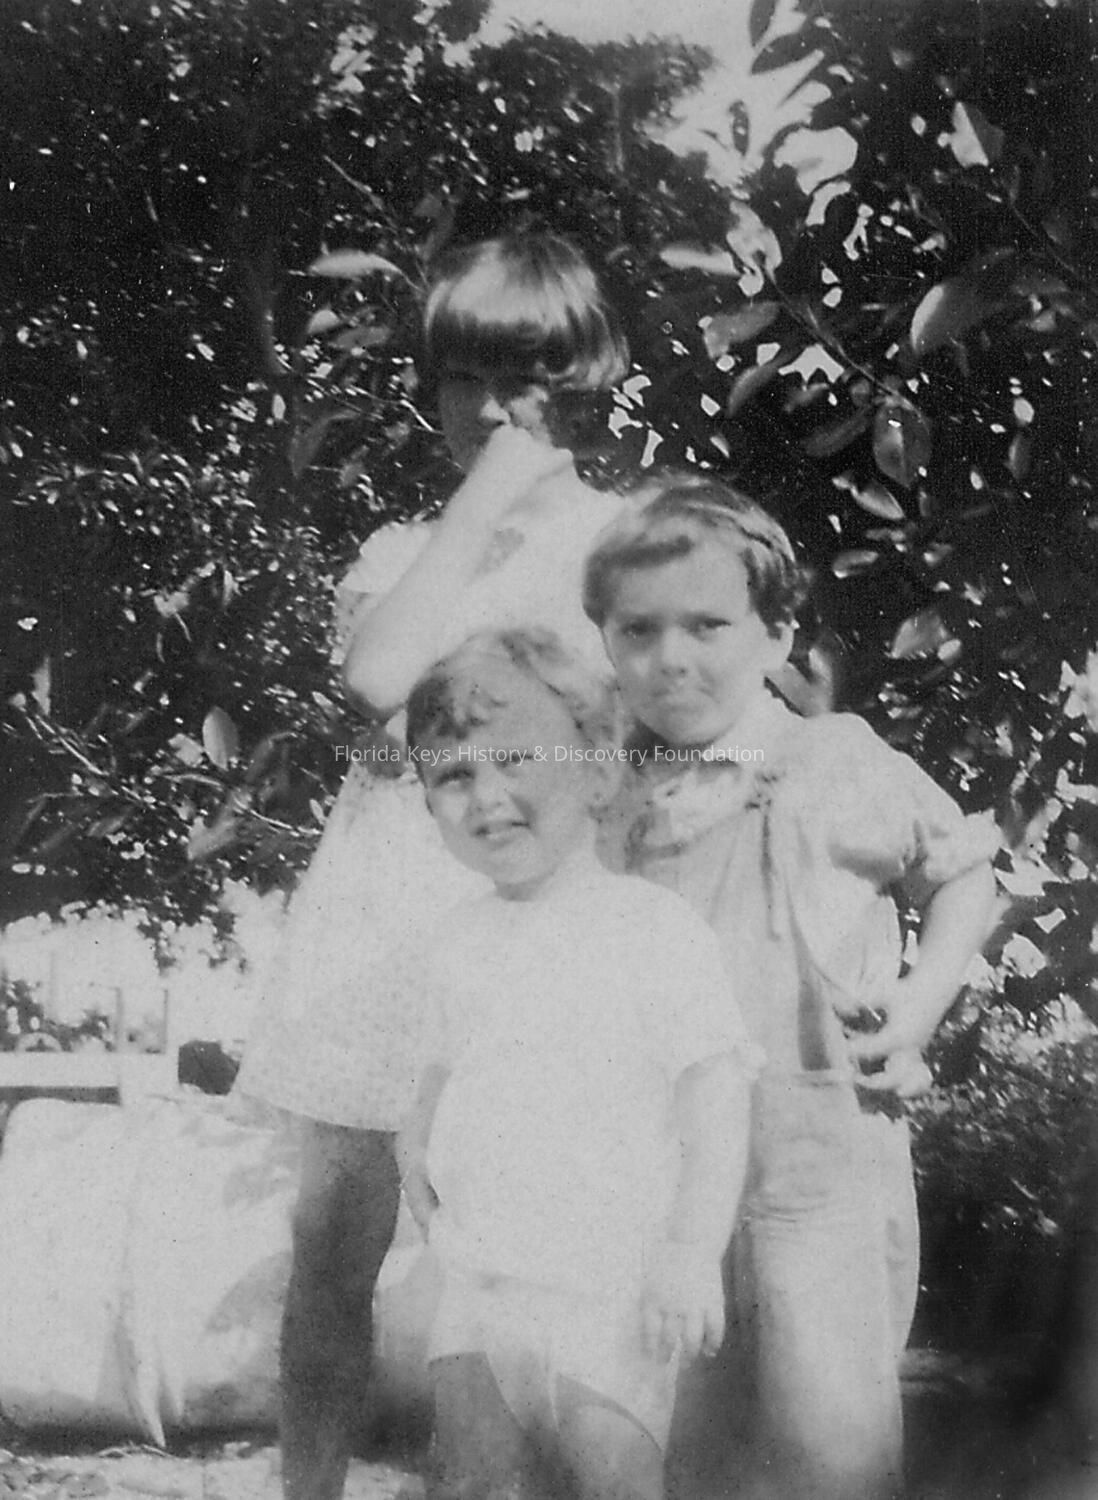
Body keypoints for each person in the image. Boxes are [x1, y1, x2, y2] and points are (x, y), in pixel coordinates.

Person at [232, 232, 633, 1500]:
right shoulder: (405, 550)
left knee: (518, 1245)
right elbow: (380, 679)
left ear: (582, 385)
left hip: (525, 917)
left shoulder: (620, 544)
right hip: (385, 917)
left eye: (524, 383)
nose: (493, 411)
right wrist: (479, 507)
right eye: (466, 379)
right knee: (332, 1244)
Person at [583, 475, 999, 1500]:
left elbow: (962, 874)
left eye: (707, 625)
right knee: (681, 1446)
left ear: (775, 635)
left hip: (816, 1174)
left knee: (828, 1447)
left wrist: (918, 1007)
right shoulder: (609, 793)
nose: (671, 657)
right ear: (605, 642)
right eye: (638, 630)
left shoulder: (830, 759)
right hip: (659, 1184)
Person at [394, 627, 761, 1500]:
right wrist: (418, 1162)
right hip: (481, 1289)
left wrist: (689, 1252)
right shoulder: (455, 941)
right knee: (476, 1485)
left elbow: (715, 1098)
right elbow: (436, 1087)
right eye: (454, 776)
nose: (487, 797)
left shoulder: (651, 928)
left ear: (596, 772)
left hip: (609, 1291)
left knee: (615, 1480)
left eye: (516, 761)